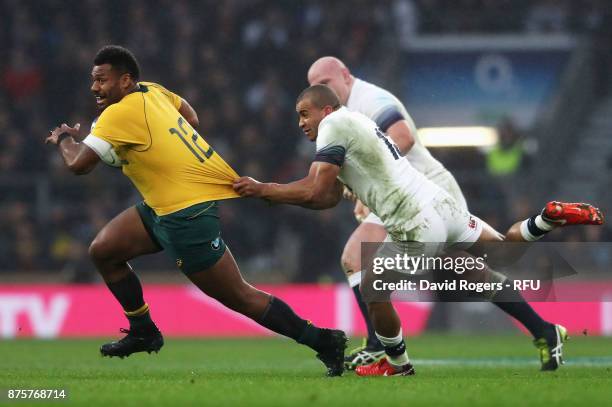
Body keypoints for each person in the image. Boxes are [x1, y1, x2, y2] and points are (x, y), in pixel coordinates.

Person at [233, 85, 604, 376]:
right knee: (504, 251)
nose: (300, 123)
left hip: (414, 219)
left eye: (304, 114)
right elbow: (324, 198)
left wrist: (264, 189)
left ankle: (396, 363)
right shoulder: (357, 121)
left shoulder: (335, 123)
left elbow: (314, 189)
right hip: (441, 203)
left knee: (372, 285)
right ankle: (547, 220)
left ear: (326, 107)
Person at [44, 45, 347, 377]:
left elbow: (78, 165)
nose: (94, 88)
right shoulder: (153, 91)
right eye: (93, 80)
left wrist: (64, 139)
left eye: (101, 80)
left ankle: (324, 341)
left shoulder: (119, 115)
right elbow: (191, 117)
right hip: (161, 206)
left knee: (241, 297)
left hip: (185, 217)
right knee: (104, 250)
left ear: (126, 80)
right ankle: (143, 330)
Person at [307, 56, 468, 368]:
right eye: (315, 88)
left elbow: (403, 137)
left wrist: (369, 181)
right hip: (396, 196)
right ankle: (377, 342)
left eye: (325, 84)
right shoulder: (339, 117)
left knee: (470, 272)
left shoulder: (371, 99)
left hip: (428, 190)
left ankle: (543, 328)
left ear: (345, 75)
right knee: (354, 257)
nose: (321, 91)